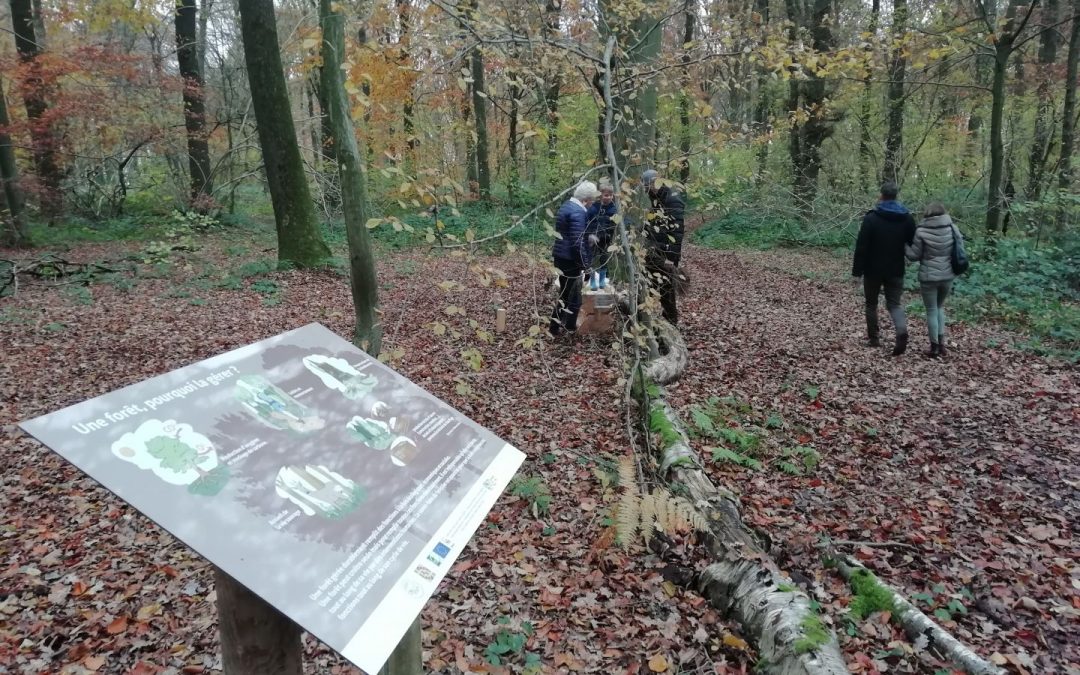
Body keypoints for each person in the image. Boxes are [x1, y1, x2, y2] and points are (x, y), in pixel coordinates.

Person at [852, 181, 917, 355]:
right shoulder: (907, 218)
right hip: (896, 269)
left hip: (872, 270)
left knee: (871, 304)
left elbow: (862, 247)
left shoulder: (871, 218)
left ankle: (874, 339)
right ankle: (901, 330)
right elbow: (914, 243)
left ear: (881, 195)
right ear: (896, 196)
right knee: (894, 304)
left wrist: (857, 272)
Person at [906, 202, 963, 358]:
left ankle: (934, 347)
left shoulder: (921, 230)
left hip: (929, 276)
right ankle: (942, 344)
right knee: (939, 307)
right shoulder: (952, 228)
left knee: (931, 310)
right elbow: (959, 248)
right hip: (948, 275)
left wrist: (904, 246)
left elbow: (914, 255)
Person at [549, 181, 599, 336]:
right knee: (573, 297)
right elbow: (577, 244)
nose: (592, 203)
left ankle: (557, 327)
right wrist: (586, 265)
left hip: (561, 257)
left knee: (565, 294)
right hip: (570, 260)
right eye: (592, 200)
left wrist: (587, 237)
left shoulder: (567, 205)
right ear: (587, 199)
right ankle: (567, 327)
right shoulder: (579, 211)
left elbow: (572, 235)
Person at [641, 169, 685, 325]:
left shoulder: (672, 199)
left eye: (648, 186)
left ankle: (672, 322)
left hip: (666, 253)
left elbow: (677, 232)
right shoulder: (654, 197)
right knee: (651, 285)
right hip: (654, 250)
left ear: (655, 182)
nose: (646, 189)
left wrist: (671, 258)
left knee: (666, 290)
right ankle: (654, 321)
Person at [585, 182, 617, 290]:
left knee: (604, 258)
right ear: (601, 195)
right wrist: (589, 234)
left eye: (610, 195)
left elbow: (614, 224)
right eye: (606, 195)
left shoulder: (614, 208)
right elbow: (587, 220)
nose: (608, 197)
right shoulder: (595, 207)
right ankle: (593, 280)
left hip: (605, 238)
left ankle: (602, 280)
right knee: (593, 259)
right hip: (594, 238)